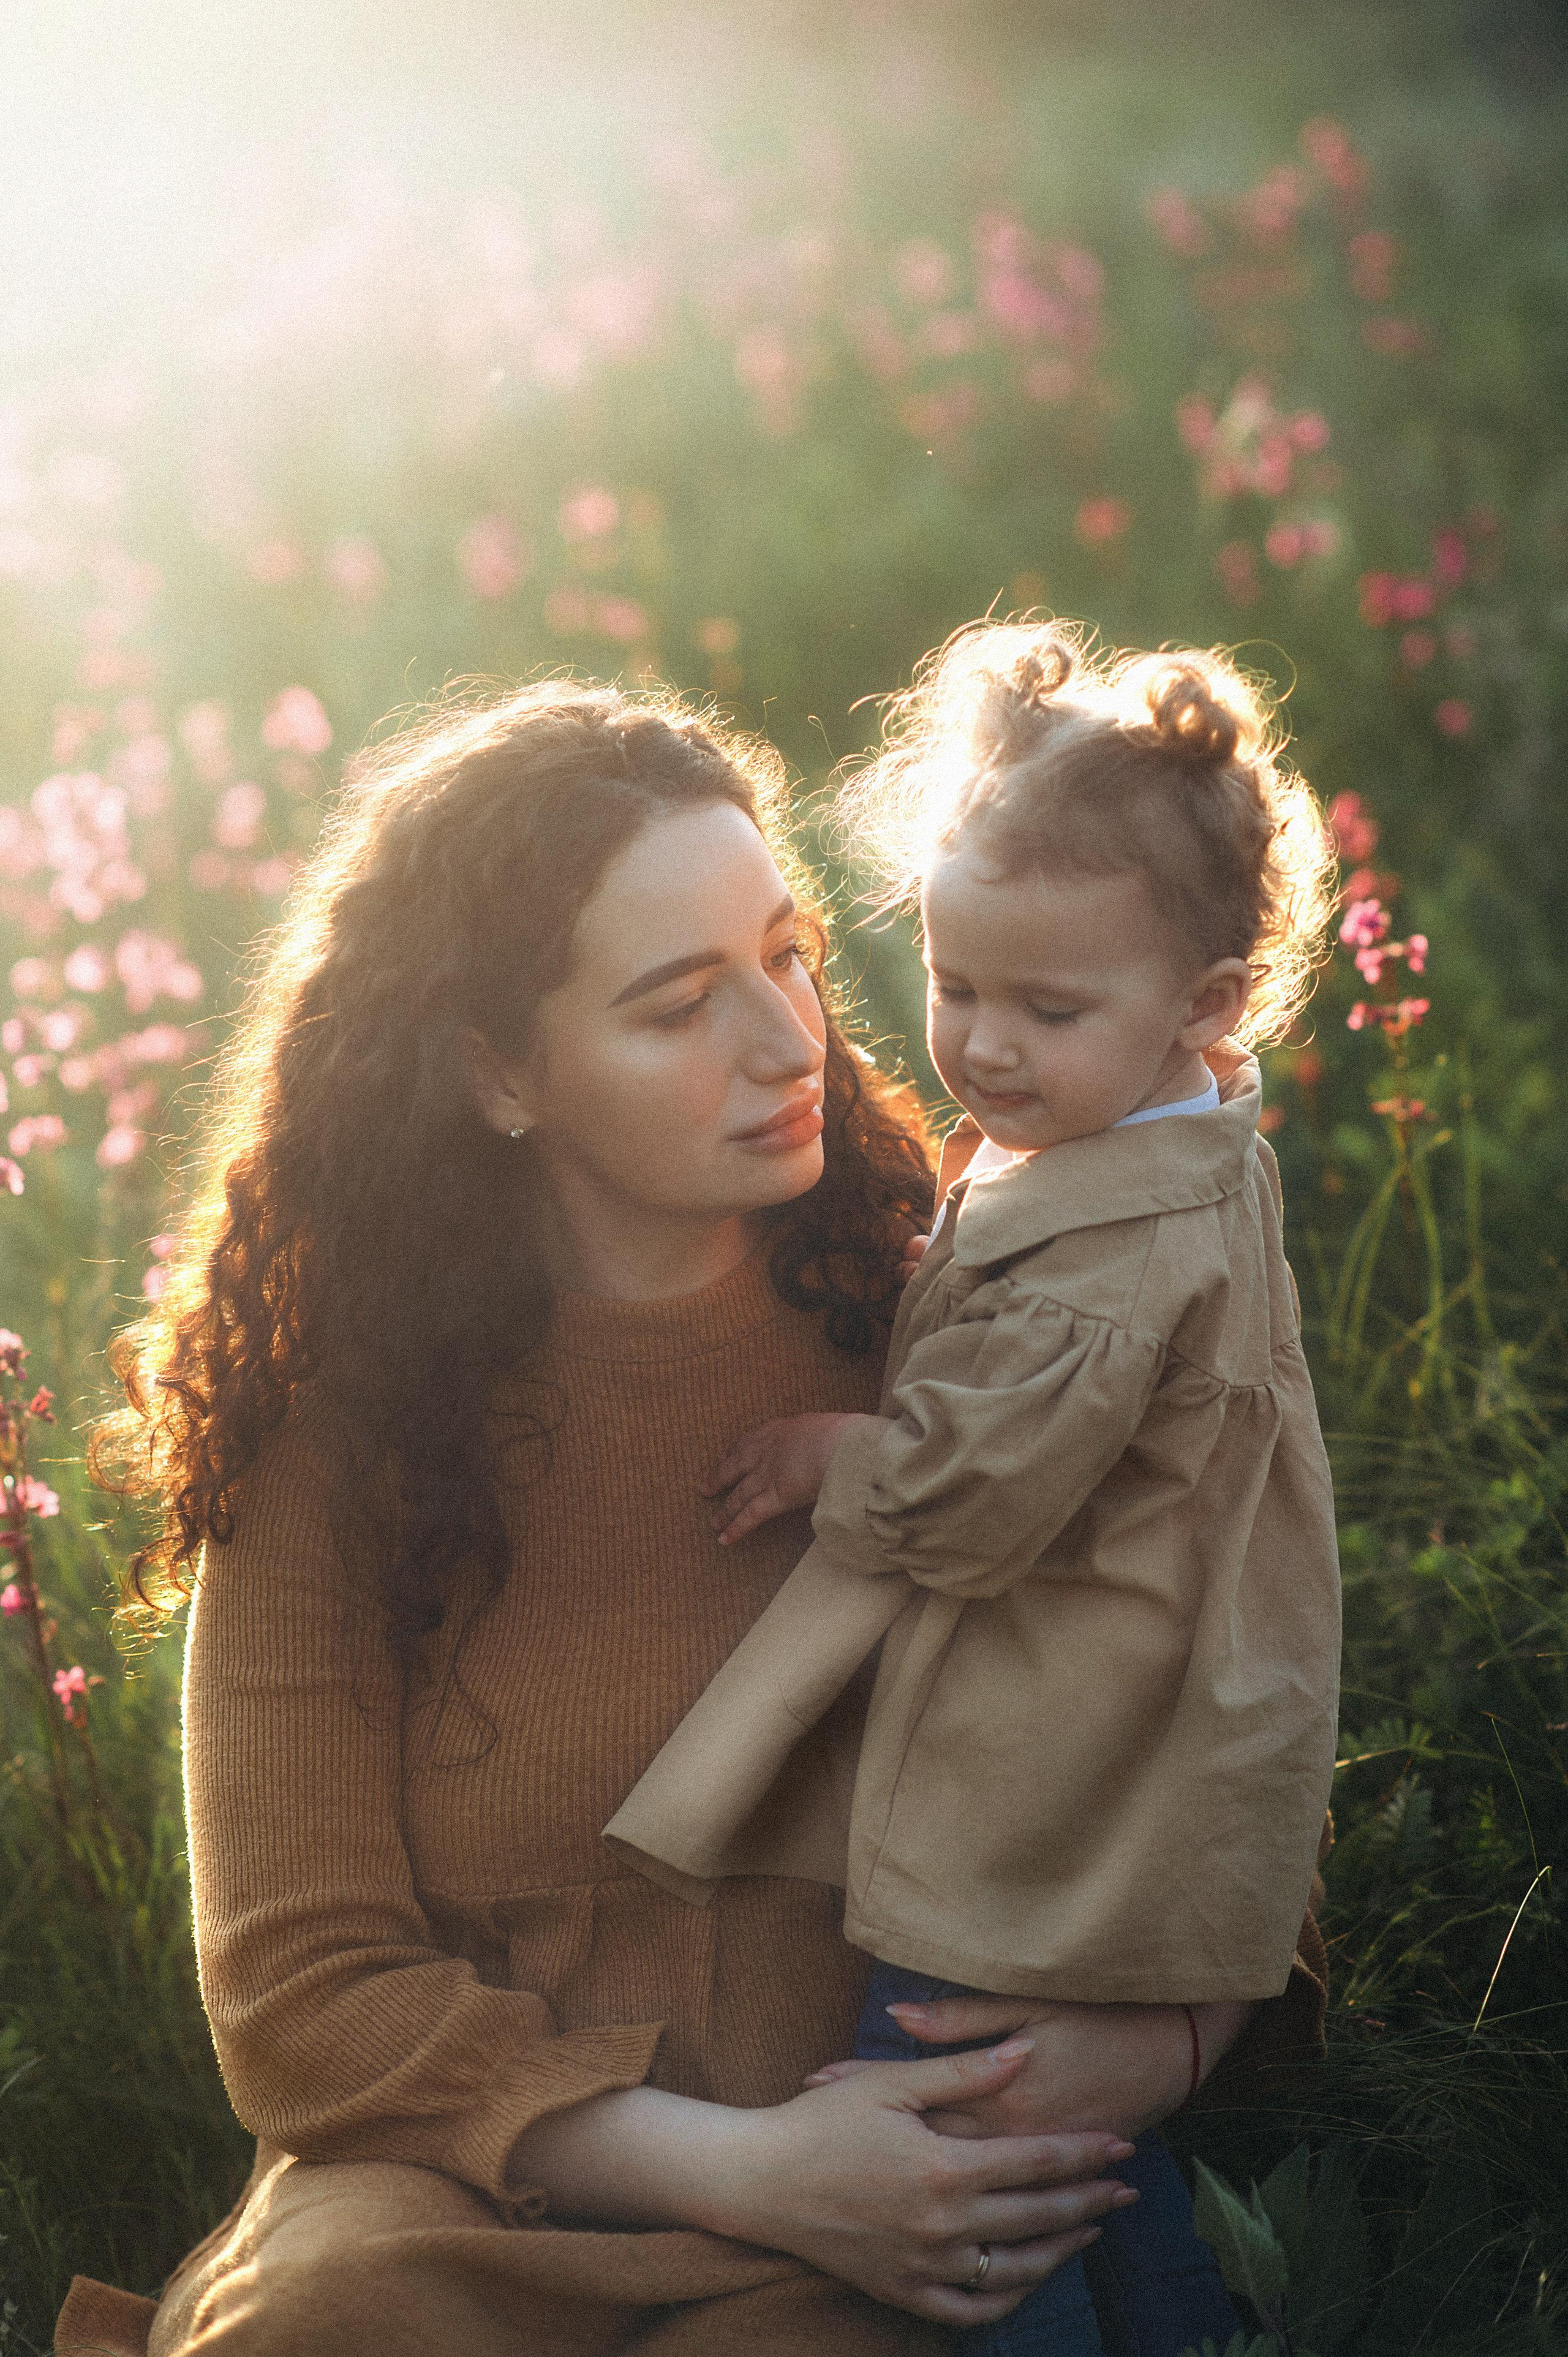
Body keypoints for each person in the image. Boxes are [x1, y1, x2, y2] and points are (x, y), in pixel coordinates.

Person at [58, 679, 1328, 2357]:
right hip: (463, 2190)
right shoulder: (338, 1431)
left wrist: (1162, 2046)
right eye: (677, 1007)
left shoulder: (972, 1359)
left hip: (882, 2181)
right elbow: (303, 1995)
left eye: (792, 957)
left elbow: (1228, 1727)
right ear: (498, 1072)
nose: (794, 1040)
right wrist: (736, 2169)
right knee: (326, 2324)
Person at [605, 626, 1343, 2356]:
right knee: (1072, 2139)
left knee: (954, 2124)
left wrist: (833, 1456)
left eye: (1048, 1009)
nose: (984, 1048)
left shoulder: (1110, 1254)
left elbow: (972, 1502)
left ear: (1213, 1000)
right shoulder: (1159, 1132)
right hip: (1133, 1723)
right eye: (954, 987)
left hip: (1047, 1770)